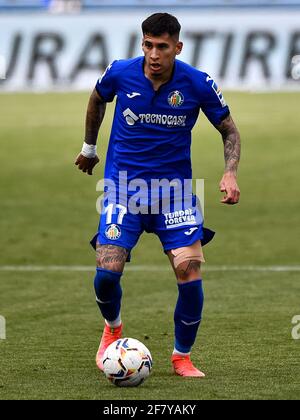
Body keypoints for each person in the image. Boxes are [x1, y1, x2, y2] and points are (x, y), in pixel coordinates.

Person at [75, 12, 241, 377]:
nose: (153, 54)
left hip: (175, 195)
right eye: (148, 45)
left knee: (190, 270)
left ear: (177, 48)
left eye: (162, 47)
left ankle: (182, 356)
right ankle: (113, 328)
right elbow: (97, 98)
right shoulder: (120, 72)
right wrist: (89, 148)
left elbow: (229, 130)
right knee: (106, 274)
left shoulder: (198, 83)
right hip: (123, 190)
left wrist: (229, 172)